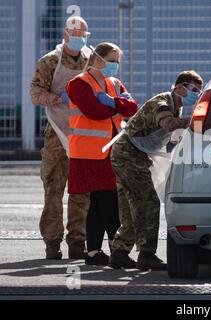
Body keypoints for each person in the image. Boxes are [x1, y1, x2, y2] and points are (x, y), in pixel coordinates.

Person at [108, 71, 204, 271]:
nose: (196, 94)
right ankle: (147, 254)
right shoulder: (162, 103)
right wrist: (196, 121)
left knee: (130, 205)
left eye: (199, 91)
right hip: (128, 154)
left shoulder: (175, 107)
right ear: (179, 88)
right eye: (194, 89)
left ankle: (119, 253)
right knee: (148, 201)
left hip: (133, 155)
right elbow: (168, 124)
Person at [66, 42, 138, 265]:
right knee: (108, 202)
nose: (115, 65)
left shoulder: (113, 83)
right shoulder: (79, 84)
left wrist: (113, 102)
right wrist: (118, 106)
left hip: (110, 150)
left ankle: (94, 253)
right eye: (112, 60)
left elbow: (133, 107)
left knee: (99, 203)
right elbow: (94, 112)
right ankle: (118, 252)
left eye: (117, 61)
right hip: (89, 152)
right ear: (97, 58)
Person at [30, 16, 92, 260]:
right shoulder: (50, 61)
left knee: (81, 191)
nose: (79, 39)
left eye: (83, 35)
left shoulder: (91, 60)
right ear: (65, 35)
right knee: (54, 189)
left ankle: (77, 242)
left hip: (84, 133)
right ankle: (52, 243)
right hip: (57, 132)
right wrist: (57, 98)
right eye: (75, 34)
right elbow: (35, 92)